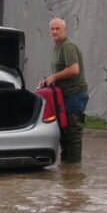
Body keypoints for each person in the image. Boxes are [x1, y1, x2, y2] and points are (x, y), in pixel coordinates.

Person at [39, 18, 89, 163]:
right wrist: (47, 81)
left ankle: (74, 173)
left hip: (75, 94)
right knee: (65, 133)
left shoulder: (68, 46)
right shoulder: (58, 47)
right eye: (52, 29)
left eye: (57, 29)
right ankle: (67, 170)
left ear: (64, 30)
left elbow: (74, 69)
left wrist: (54, 77)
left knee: (72, 134)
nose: (54, 31)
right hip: (65, 96)